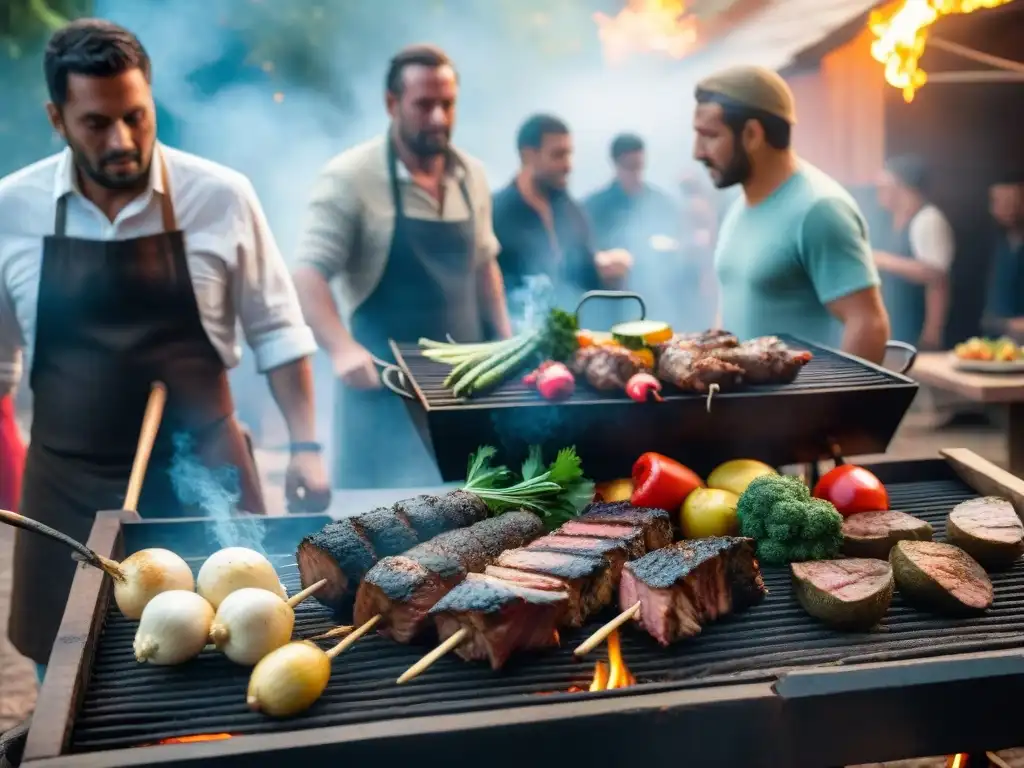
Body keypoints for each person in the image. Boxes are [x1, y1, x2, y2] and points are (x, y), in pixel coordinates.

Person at [0, 19, 330, 677]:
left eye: (136, 116)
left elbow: (278, 330)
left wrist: (306, 446)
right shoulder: (13, 207)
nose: (122, 141)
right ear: (57, 118)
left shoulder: (220, 196)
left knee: (230, 658)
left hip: (207, 475)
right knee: (72, 675)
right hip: (67, 485)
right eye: (97, 123)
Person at [292, 45, 512, 490]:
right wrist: (341, 349)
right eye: (424, 105)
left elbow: (484, 265)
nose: (438, 118)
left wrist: (507, 343)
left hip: (462, 394)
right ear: (392, 104)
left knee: (477, 526)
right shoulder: (349, 178)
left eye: (446, 105)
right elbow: (306, 275)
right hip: (382, 397)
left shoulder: (473, 175)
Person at [693, 65, 889, 363]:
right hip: (744, 409)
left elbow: (868, 324)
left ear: (752, 134)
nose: (698, 151)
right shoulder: (738, 204)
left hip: (804, 409)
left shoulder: (819, 209)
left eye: (709, 135)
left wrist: (834, 409)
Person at [492, 114, 632, 328]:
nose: (568, 165)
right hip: (515, 340)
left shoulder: (571, 210)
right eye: (558, 155)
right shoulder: (497, 213)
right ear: (529, 155)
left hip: (572, 335)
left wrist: (608, 271)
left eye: (569, 154)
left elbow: (584, 275)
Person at [583, 134, 690, 327]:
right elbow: (583, 255)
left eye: (639, 167)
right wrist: (603, 260)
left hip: (657, 303)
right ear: (615, 164)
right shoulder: (593, 207)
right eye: (629, 167)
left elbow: (680, 249)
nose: (636, 174)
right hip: (610, 306)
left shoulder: (662, 204)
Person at [873, 155, 954, 349]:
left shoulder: (928, 219)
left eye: (883, 187)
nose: (878, 192)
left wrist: (932, 334)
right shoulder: (891, 220)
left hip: (918, 332)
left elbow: (936, 276)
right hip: (897, 330)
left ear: (902, 186)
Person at [982, 175, 1024, 337]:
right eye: (996, 202)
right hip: (996, 340)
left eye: (1011, 202)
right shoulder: (999, 240)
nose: (1000, 209)